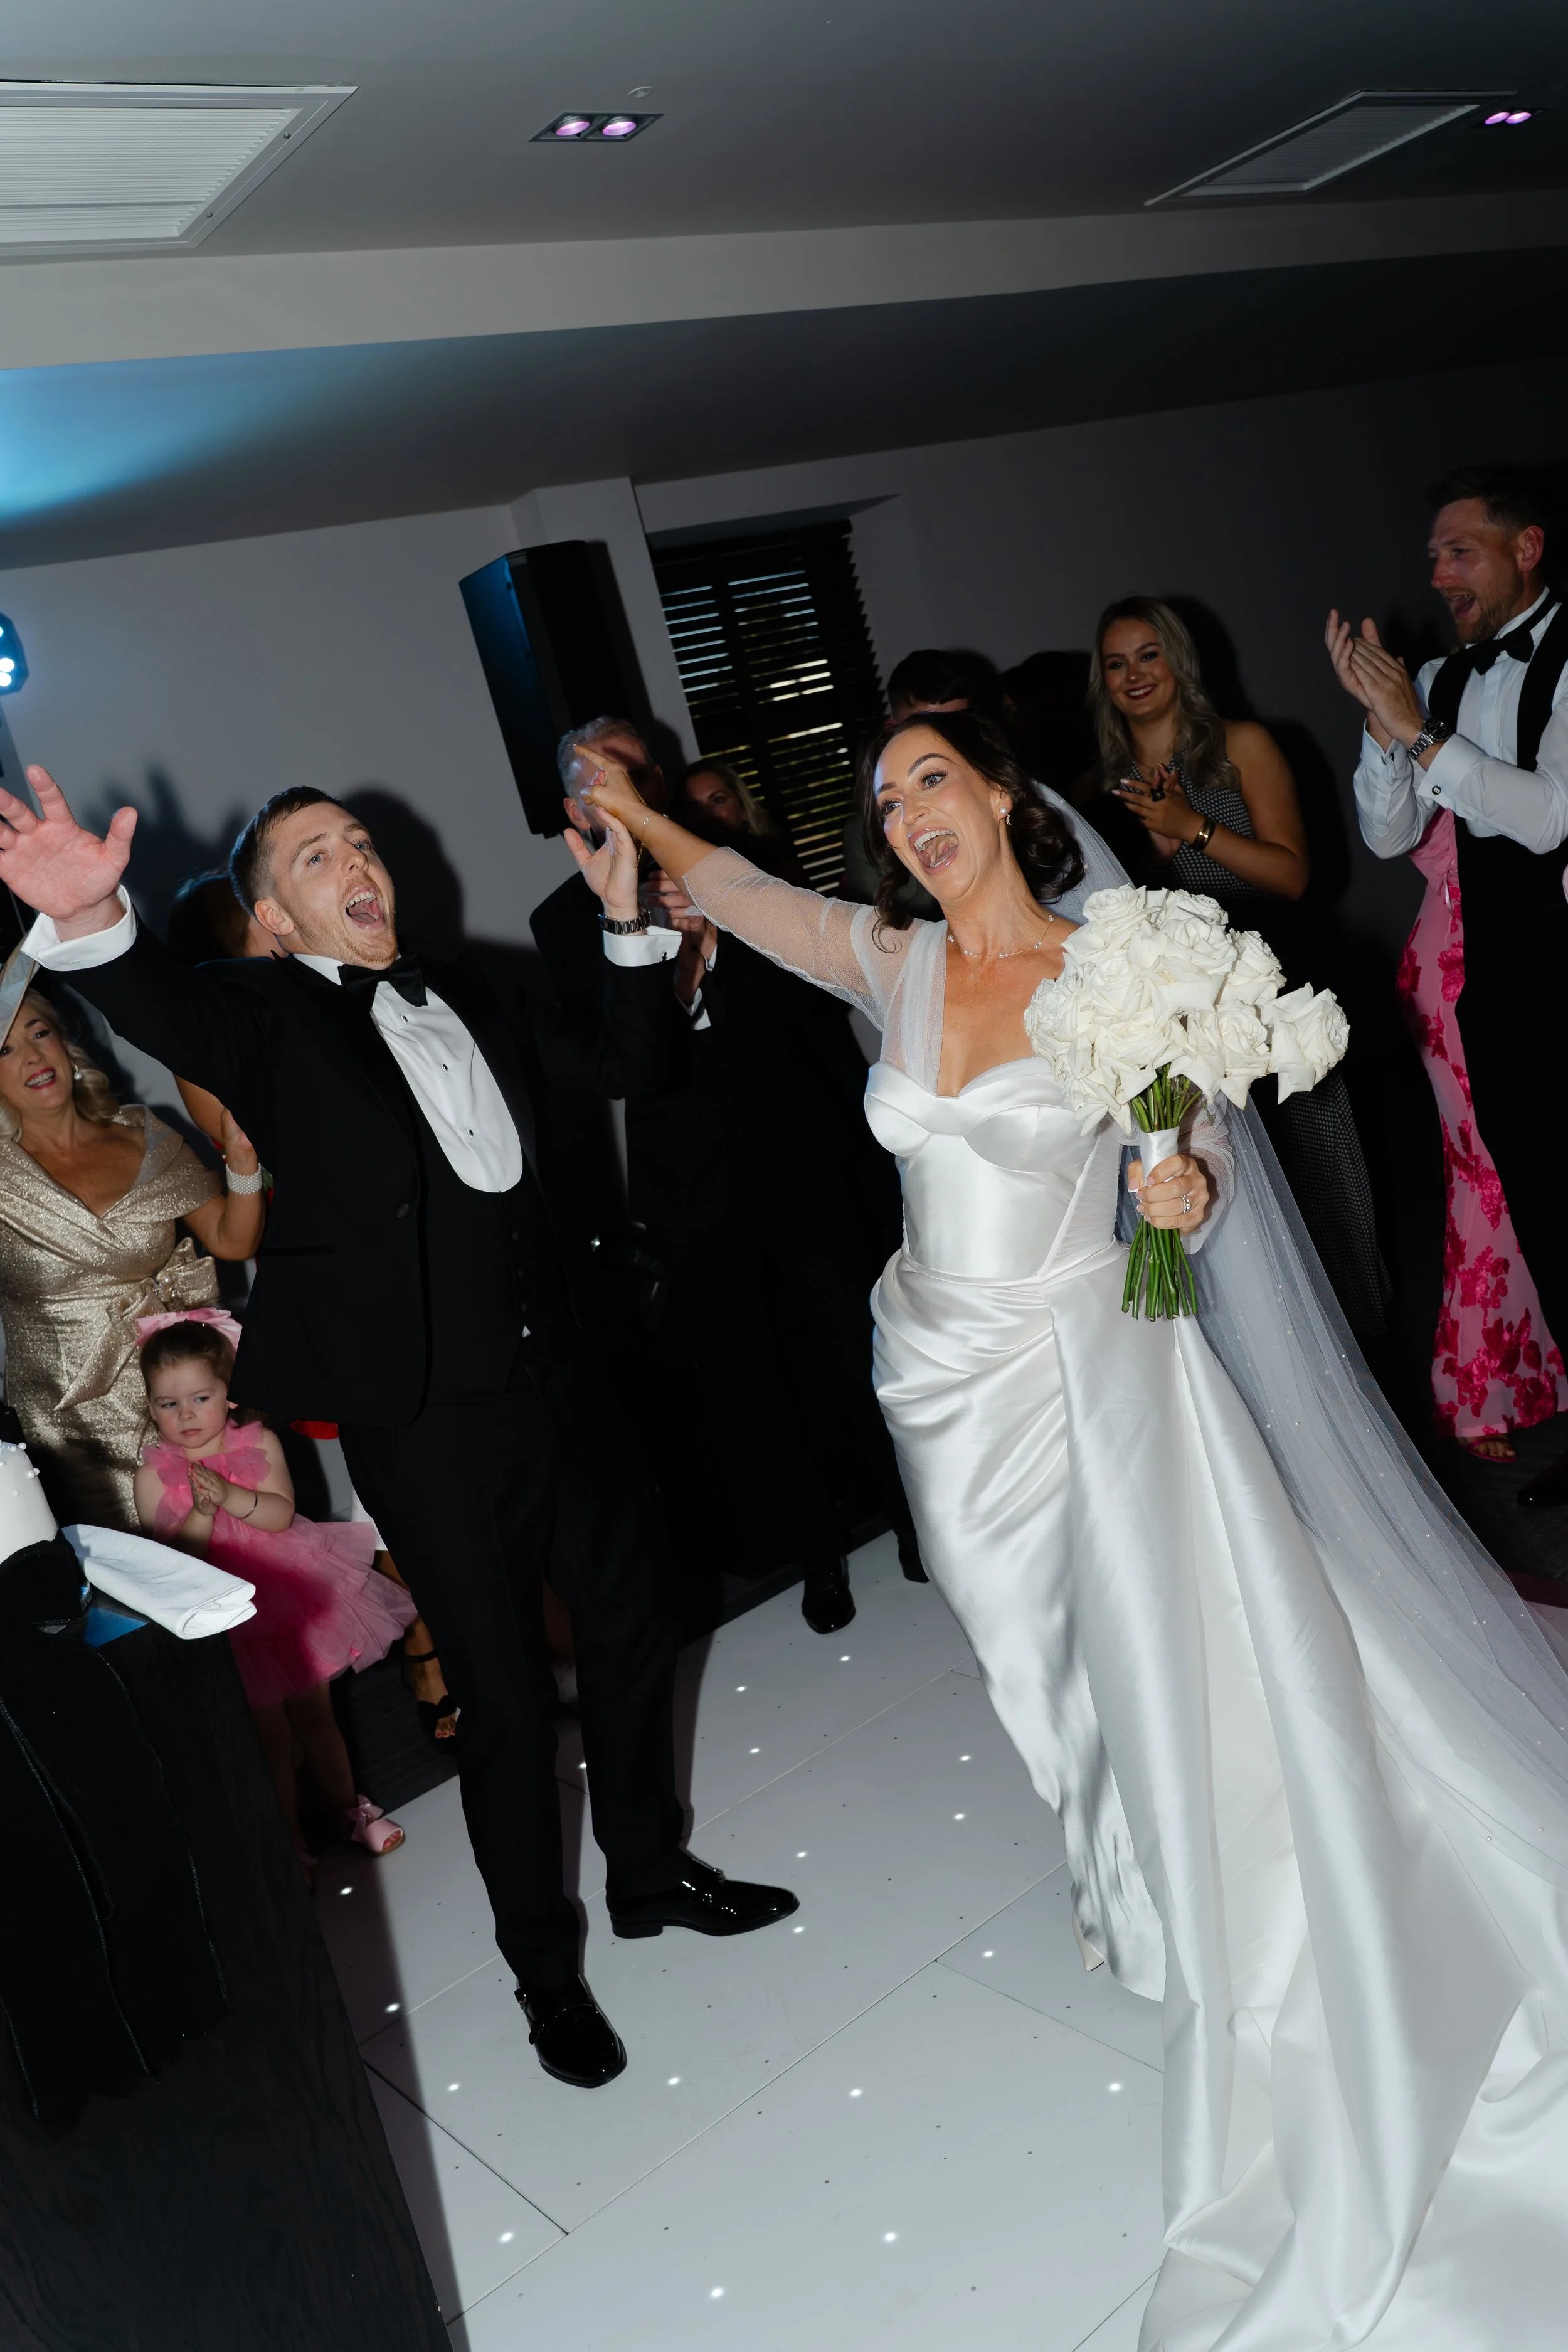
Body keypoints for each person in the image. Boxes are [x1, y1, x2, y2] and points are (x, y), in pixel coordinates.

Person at [583, 712, 1568, 2348]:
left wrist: (1175, 1185)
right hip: (936, 1386)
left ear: (1001, 795)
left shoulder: (1114, 968)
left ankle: (1217, 1884)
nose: (905, 813)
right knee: (1026, 1653)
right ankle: (1124, 1857)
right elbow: (736, 888)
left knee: (1150, 1631)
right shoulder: (886, 961)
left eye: (930, 779)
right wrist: (633, 814)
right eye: (885, 795)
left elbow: (1170, 1171)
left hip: (1091, 1368)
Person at [0, 767, 798, 2094]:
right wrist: (93, 920)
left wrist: (626, 930)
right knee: (495, 1704)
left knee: (631, 1624)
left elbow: (628, 1062)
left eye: (360, 841)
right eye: (316, 857)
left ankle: (651, 1876)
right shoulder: (261, 1014)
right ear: (274, 921)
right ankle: (545, 1975)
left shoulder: (469, 985)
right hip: (425, 1421)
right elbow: (162, 1006)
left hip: (566, 1382)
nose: (354, 860)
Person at [538, 718, 904, 1631]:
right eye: (596, 779)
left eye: (630, 771)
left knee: (861, 1344)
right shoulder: (560, 920)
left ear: (653, 781)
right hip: (686, 1181)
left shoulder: (736, 861)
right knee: (749, 1383)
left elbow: (818, 994)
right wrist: (687, 957)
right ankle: (818, 1559)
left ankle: (918, 1521)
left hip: (801, 1147)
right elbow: (626, 1061)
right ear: (572, 805)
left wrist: (721, 923)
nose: (616, 789)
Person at [166, 867, 458, 1742]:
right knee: (392, 1489)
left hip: (413, 1266)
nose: (287, 925)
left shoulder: (333, 996)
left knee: (448, 1472)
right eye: (265, 921)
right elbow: (262, 1180)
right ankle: (434, 1661)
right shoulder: (218, 1049)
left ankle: (466, 1650)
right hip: (333, 1290)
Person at [1328, 463, 1568, 1505]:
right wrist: (1390, 731)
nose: (1437, 574)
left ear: (1528, 548)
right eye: (1431, 556)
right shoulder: (1431, 681)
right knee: (1548, 1217)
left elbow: (1550, 814)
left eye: (1458, 551)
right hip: (1497, 995)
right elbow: (1388, 834)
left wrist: (1421, 733)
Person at [1093, 595, 1390, 1342]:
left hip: (1266, 1002)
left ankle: (1365, 1371)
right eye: (1116, 663)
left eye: (1148, 654)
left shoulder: (1240, 746)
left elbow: (1291, 876)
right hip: (1174, 1029)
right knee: (1225, 1212)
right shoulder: (1099, 785)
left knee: (1318, 1193)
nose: (1134, 674)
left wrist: (1189, 827)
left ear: (1178, 658)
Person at [135, 1313, 413, 1880]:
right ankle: (287, 1841)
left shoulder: (258, 1442)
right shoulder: (152, 1475)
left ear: (231, 1396)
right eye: (168, 1404)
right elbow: (174, 1564)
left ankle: (349, 1811)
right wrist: (202, 1512)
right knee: (269, 1733)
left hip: (288, 1599)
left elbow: (282, 1514)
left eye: (200, 1397)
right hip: (227, 1615)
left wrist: (233, 1497)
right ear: (150, 1407)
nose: (185, 1415)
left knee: (317, 1715)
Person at [0, 987, 264, 1525]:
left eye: (39, 1032)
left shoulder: (145, 1134)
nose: (31, 1057)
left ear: (64, 1043)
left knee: (217, 1567)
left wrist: (242, 1160)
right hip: (67, 1432)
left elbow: (233, 1240)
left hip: (180, 1401)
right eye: (3, 1050)